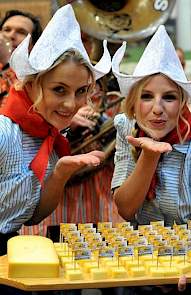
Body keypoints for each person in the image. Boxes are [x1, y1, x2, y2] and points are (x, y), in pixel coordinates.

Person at [111, 25, 191, 294]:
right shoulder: (126, 127)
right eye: (146, 96)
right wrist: (149, 154)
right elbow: (126, 209)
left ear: (182, 102)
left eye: (168, 97)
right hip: (142, 264)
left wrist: (187, 267)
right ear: (133, 102)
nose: (157, 109)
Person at [0, 2, 112, 256]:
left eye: (81, 91)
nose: (71, 104)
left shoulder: (50, 140)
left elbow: (32, 216)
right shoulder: (4, 134)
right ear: (29, 86)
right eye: (58, 90)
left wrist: (60, 174)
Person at [0, 9, 42, 106]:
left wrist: (6, 61)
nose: (11, 35)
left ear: (33, 46)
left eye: (21, 32)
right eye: (7, 30)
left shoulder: (37, 79)